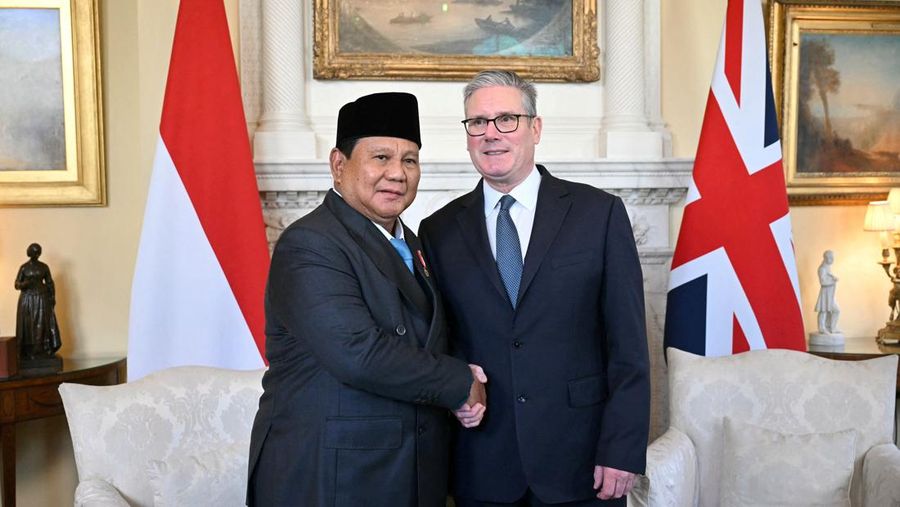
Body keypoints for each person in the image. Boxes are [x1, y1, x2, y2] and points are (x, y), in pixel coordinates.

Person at [419, 70, 650, 506]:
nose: (491, 134)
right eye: (478, 123)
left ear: (535, 128)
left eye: (506, 119)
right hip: (482, 462)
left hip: (582, 463)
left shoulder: (597, 215)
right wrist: (454, 385)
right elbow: (439, 340)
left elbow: (629, 345)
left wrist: (622, 447)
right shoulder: (438, 230)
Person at [247, 92, 487, 507]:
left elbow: (426, 338)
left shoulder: (411, 243)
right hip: (331, 476)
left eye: (409, 160)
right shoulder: (310, 243)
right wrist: (459, 382)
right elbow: (358, 353)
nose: (397, 173)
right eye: (380, 157)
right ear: (339, 165)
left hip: (402, 472)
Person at [15, 243, 62, 359]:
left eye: (38, 252)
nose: (36, 254)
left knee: (42, 323)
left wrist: (52, 297)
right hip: (27, 298)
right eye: (34, 251)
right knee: (28, 324)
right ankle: (27, 350)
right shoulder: (24, 267)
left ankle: (43, 349)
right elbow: (16, 284)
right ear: (30, 252)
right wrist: (23, 284)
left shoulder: (44, 267)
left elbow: (50, 283)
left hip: (42, 298)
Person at [815, 250, 841, 333]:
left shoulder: (828, 267)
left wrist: (833, 278)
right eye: (831, 258)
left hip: (830, 295)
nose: (833, 260)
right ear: (826, 258)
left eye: (833, 258)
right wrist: (833, 281)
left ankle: (831, 327)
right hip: (825, 294)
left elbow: (828, 278)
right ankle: (822, 328)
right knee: (823, 310)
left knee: (836, 310)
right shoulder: (822, 269)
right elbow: (822, 282)